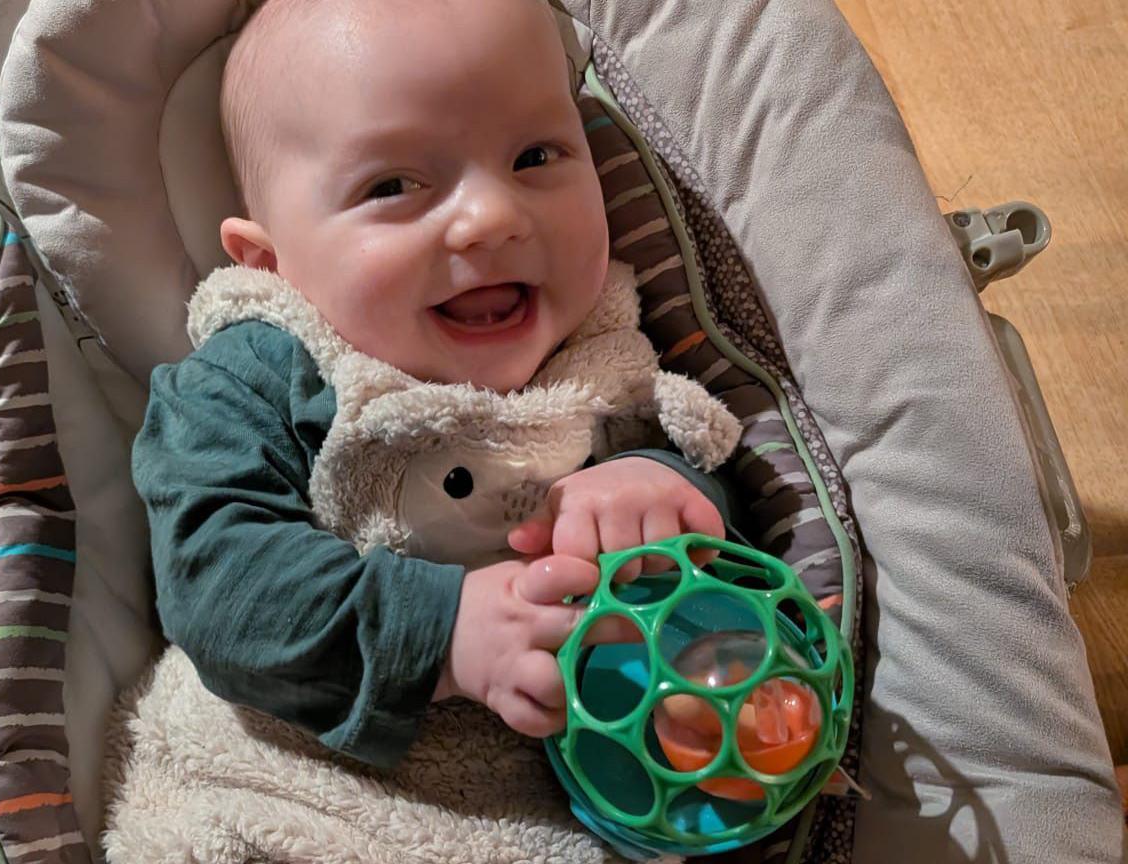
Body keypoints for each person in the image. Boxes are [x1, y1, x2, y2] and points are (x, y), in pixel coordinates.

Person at [131, 0, 733, 770]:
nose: (490, 216)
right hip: (300, 793)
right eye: (392, 185)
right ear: (271, 265)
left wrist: (661, 489)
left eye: (536, 158)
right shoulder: (248, 377)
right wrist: (443, 633)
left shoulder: (606, 344)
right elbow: (214, 585)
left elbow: (728, 505)